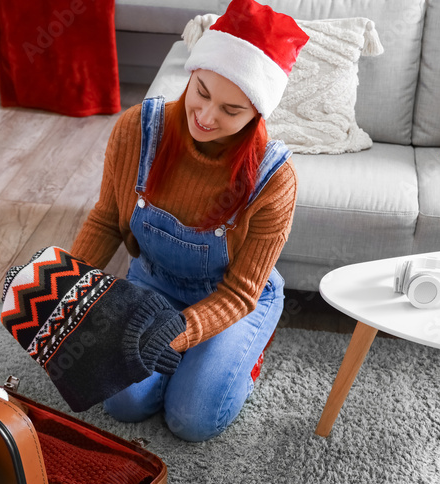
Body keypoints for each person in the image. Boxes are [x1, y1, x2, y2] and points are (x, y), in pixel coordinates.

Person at [69, 0, 309, 441]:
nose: (206, 116)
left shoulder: (274, 181)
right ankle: (188, 363)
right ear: (192, 75)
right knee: (123, 404)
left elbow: (240, 292)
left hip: (231, 298)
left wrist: (172, 335)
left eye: (231, 111)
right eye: (202, 92)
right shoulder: (138, 130)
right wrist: (65, 281)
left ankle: (241, 352)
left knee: (191, 419)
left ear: (257, 112)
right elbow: (106, 219)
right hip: (152, 280)